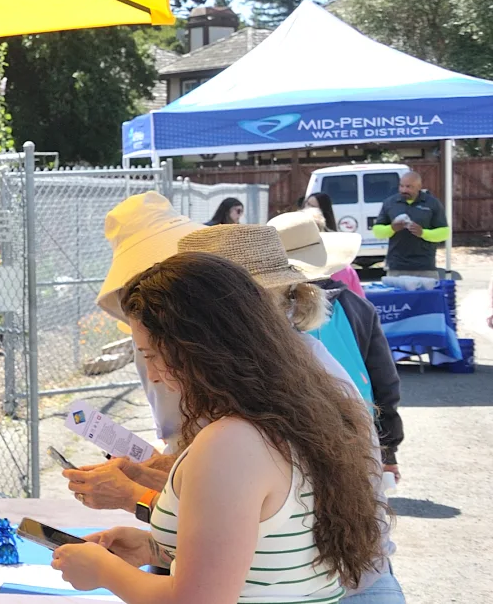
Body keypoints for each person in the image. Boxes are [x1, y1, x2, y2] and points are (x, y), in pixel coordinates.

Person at [53, 252, 387, 604]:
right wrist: (152, 549)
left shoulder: (230, 443)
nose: (151, 374)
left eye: (151, 354)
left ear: (197, 347)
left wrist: (103, 571)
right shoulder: (293, 414)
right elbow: (263, 559)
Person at [271, 210, 403, 482]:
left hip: (281, 445)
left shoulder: (260, 312)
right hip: (356, 436)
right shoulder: (357, 307)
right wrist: (388, 452)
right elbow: (385, 384)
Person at [371, 170, 449, 278]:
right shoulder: (390, 203)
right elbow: (377, 232)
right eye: (401, 186)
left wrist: (423, 233)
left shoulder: (432, 203)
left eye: (409, 187)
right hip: (396, 267)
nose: (404, 190)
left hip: (425, 266)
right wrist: (392, 228)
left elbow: (444, 233)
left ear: (419, 186)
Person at [303, 193, 365, 293]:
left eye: (312, 206)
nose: (307, 208)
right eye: (307, 204)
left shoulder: (341, 267)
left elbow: (359, 297)